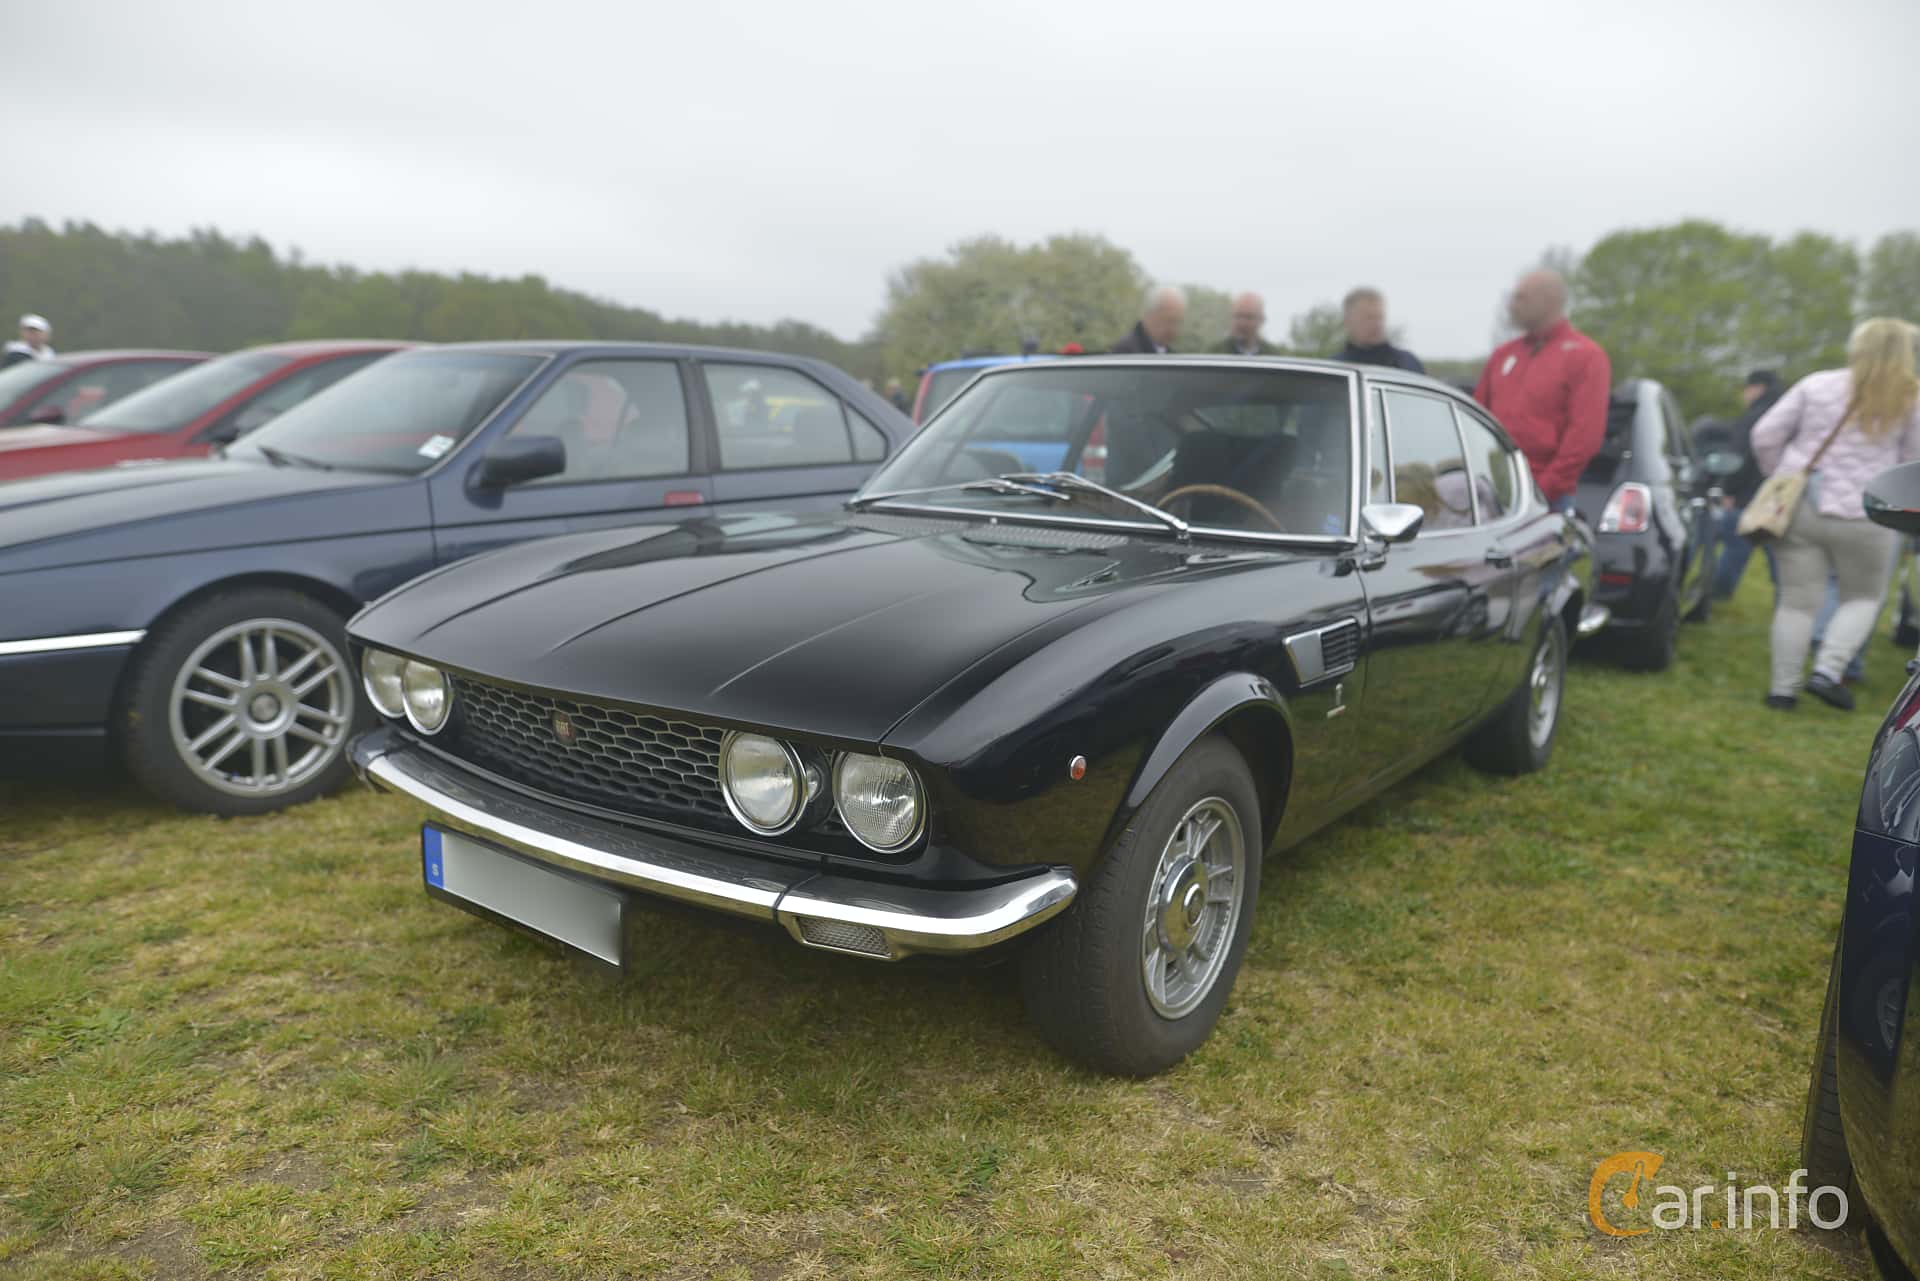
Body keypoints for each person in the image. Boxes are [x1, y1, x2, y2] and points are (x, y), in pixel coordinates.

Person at [1754, 318, 1920, 711]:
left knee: (1796, 601)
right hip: (1872, 515)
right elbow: (1914, 463)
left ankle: (1782, 690)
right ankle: (1828, 671)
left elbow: (1764, 435)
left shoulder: (1815, 385)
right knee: (1862, 597)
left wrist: (1780, 475)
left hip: (1803, 506)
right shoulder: (1911, 397)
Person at [1474, 271, 1611, 513]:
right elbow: (1476, 418)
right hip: (1491, 492)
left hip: (1547, 501)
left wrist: (1541, 491)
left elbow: (1584, 437)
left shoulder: (1586, 356)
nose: (1512, 305)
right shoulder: (1503, 355)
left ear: (1548, 301)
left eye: (1521, 298)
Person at [1710, 370, 1784, 599]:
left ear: (1758, 388)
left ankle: (1719, 594)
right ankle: (1785, 596)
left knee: (1735, 547)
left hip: (1746, 494)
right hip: (1780, 496)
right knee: (1779, 553)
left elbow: (1738, 457)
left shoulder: (1754, 416)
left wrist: (1729, 489)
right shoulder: (1787, 414)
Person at [1330, 288, 1423, 371]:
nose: (1376, 324)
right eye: (1368, 318)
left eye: (1379, 317)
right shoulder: (1335, 369)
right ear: (1347, 321)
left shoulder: (1407, 364)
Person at [1111, 285, 1186, 354]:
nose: (1174, 329)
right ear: (1150, 315)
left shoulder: (1169, 354)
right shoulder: (1126, 352)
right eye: (1169, 321)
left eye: (1178, 322)